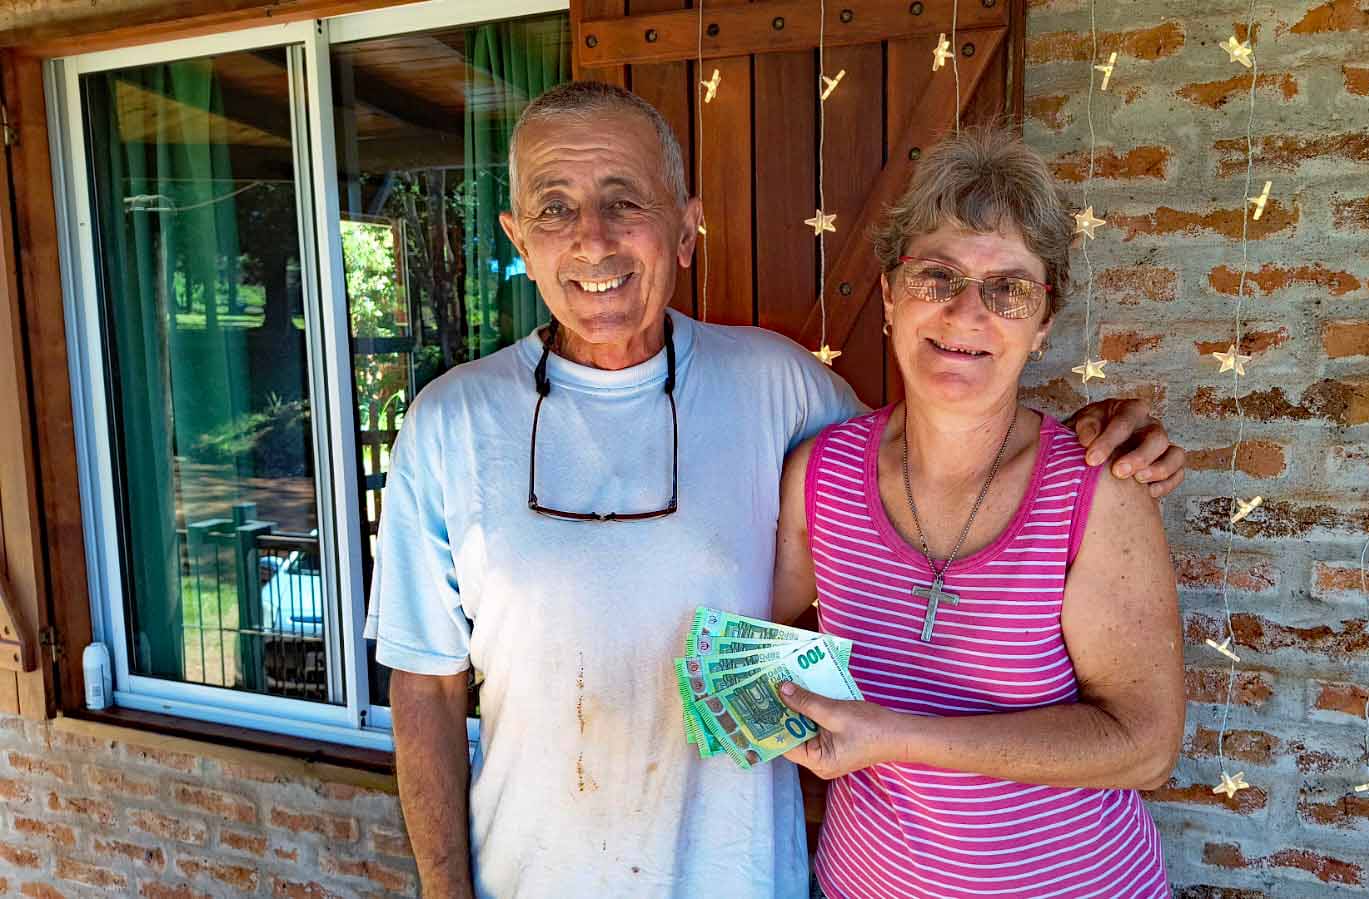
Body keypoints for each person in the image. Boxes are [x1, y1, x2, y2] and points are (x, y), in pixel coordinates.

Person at [364, 81, 1187, 899]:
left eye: (625, 202)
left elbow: (953, 436)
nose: (591, 239)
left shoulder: (780, 389)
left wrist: (1102, 434)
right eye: (554, 208)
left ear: (686, 231)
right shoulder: (450, 423)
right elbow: (423, 683)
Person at [772, 128, 1183, 898]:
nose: (967, 312)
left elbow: (1144, 745)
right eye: (937, 275)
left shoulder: (1098, 487)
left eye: (1009, 290)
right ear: (890, 295)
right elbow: (735, 633)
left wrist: (892, 735)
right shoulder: (821, 476)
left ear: (1044, 323)